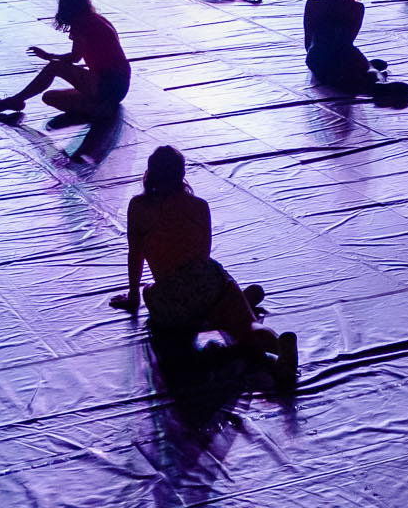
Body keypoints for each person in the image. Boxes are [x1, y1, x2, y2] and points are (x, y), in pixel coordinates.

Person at [107, 147, 297, 393]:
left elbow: (136, 254)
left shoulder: (139, 207)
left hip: (172, 297)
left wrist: (134, 296)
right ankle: (279, 347)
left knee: (151, 294)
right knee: (246, 327)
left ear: (150, 172)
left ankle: (231, 306)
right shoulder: (199, 205)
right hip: (208, 281)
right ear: (181, 174)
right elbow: (202, 256)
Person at [0, 0, 131, 124]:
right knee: (50, 97)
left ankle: (16, 100)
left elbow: (74, 58)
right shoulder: (98, 19)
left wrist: (48, 56)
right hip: (118, 86)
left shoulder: (83, 24)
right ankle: (100, 107)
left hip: (107, 84)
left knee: (55, 67)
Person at [304, 0, 389, 92]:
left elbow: (308, 36)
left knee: (340, 75)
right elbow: (349, 39)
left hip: (316, 56)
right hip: (343, 53)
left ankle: (360, 71)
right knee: (371, 72)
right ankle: (377, 77)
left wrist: (315, 54)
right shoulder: (357, 8)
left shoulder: (312, 3)